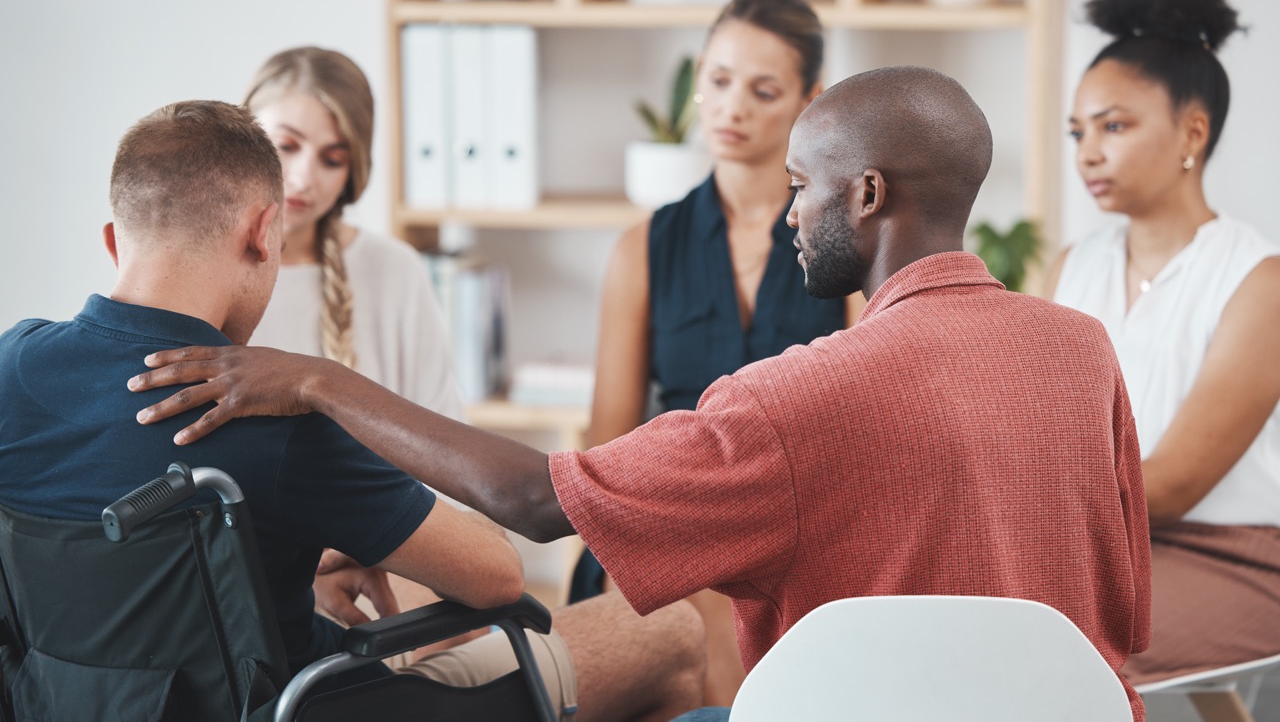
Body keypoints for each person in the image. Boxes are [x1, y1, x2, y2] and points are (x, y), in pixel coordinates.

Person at [131, 68, 1154, 719]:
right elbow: (1124, 616)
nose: (785, 211)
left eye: (802, 184)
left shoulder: (788, 399)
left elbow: (538, 502)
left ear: (869, 194)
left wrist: (313, 378)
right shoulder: (1082, 351)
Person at [0, 100, 705, 721]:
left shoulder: (14, 363)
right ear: (264, 232)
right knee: (673, 633)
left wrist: (298, 558)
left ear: (113, 239)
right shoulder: (260, 410)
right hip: (319, 703)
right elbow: (497, 576)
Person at [581, 0, 855, 704]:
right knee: (684, 612)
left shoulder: (846, 246)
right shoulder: (644, 246)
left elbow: (872, 423)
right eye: (719, 80)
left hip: (807, 522)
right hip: (668, 513)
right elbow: (607, 439)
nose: (733, 107)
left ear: (808, 99)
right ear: (698, 76)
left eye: (763, 91)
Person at [1048, 0, 1280, 687]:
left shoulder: (1258, 280)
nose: (1088, 151)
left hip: (1234, 557)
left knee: (1050, 660)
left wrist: (1020, 503)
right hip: (1098, 549)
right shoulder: (1070, 267)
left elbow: (1171, 487)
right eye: (1078, 130)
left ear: (1193, 132)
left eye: (1114, 126)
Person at [241, 46, 465, 644]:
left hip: (391, 551)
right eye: (285, 146)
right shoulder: (211, 274)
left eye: (332, 159)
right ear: (242, 136)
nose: (305, 177)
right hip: (255, 577)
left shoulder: (393, 270)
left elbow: (443, 446)